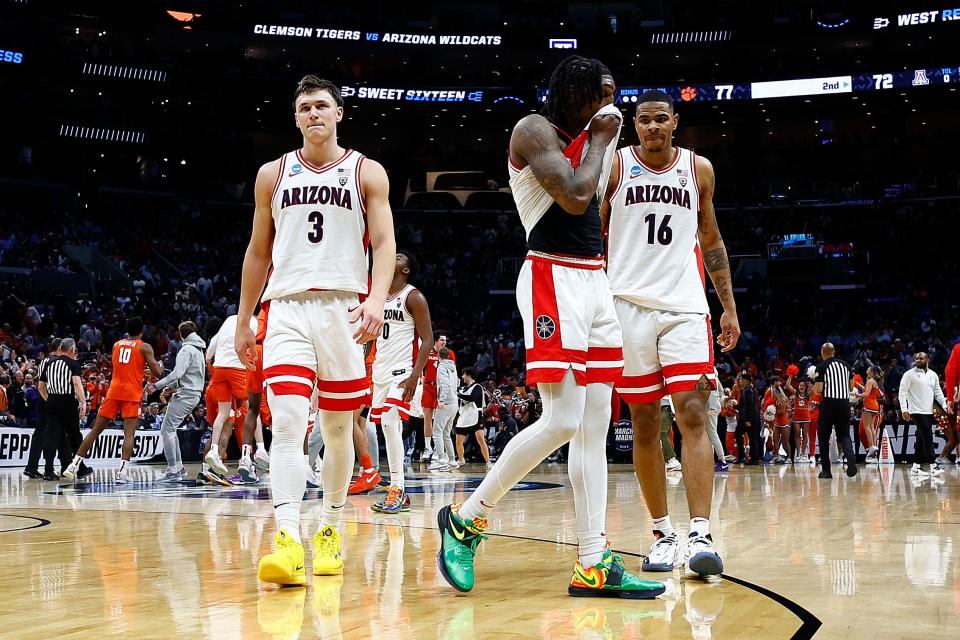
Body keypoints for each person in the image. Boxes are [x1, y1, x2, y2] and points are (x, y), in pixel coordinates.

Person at [437, 56, 662, 599]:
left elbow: (596, 216)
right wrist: (604, 139)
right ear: (576, 92)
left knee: (593, 428)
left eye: (616, 94)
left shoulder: (596, 139)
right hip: (550, 277)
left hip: (594, 282)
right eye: (603, 93)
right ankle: (466, 520)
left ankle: (592, 561)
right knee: (562, 419)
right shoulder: (534, 129)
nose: (614, 104)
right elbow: (574, 195)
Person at [234, 75, 395, 587]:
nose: (312, 114)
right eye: (304, 107)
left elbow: (386, 243)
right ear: (296, 117)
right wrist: (244, 317)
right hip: (286, 309)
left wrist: (375, 300)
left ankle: (329, 526)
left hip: (344, 307)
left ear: (339, 113)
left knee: (337, 429)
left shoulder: (366, 171)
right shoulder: (271, 173)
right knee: (284, 423)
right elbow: (258, 251)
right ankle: (285, 536)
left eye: (321, 105)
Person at [603, 89, 740, 576]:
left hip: (684, 306)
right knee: (644, 423)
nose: (653, 127)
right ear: (633, 125)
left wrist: (727, 306)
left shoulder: (697, 169)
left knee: (693, 415)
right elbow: (593, 241)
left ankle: (701, 532)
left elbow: (712, 238)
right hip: (626, 307)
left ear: (675, 122)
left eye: (662, 119)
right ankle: (662, 532)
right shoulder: (614, 167)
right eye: (644, 120)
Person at [367, 251, 433, 514]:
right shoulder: (378, 295)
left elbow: (427, 339)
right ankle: (397, 488)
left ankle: (398, 488)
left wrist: (415, 375)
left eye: (399, 257)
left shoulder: (413, 297)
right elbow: (372, 334)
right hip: (380, 372)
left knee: (390, 423)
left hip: (403, 372)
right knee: (385, 429)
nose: (393, 256)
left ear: (406, 269)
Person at [63, 318, 163, 483]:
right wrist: (158, 365)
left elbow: (125, 368)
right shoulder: (145, 347)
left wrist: (140, 372)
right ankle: (122, 473)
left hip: (114, 390)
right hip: (131, 393)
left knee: (95, 430)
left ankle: (73, 465)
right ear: (141, 331)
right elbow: (157, 372)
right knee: (129, 434)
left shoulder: (117, 344)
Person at [151, 321, 206, 481]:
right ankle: (178, 467)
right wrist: (171, 387)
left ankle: (173, 469)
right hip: (193, 393)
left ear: (181, 334)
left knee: (166, 430)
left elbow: (177, 373)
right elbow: (186, 374)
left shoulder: (186, 349)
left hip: (186, 394)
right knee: (170, 428)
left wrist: (157, 386)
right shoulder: (198, 350)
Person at [205, 314, 257, 476]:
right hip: (235, 375)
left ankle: (207, 466)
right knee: (237, 423)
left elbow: (208, 354)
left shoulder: (224, 327)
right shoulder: (251, 323)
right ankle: (246, 460)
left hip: (214, 381)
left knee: (219, 423)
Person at [36, 338, 88, 480]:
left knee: (51, 437)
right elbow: (77, 383)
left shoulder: (49, 363)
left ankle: (48, 470)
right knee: (74, 436)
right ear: (71, 350)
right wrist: (83, 402)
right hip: (67, 402)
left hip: (52, 401)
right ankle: (79, 468)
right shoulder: (73, 363)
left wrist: (50, 400)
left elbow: (40, 387)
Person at [238, 305, 272, 484]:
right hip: (272, 351)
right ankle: (297, 461)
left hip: (254, 352)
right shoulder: (282, 304)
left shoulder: (258, 313)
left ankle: (245, 456)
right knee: (284, 406)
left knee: (253, 408)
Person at [812, 342, 857, 479]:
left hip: (829, 404)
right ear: (834, 351)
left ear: (822, 352)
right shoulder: (846, 366)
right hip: (844, 404)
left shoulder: (821, 366)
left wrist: (813, 383)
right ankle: (849, 454)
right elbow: (850, 388)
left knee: (823, 436)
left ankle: (826, 471)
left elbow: (818, 390)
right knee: (844, 435)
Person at [898, 352, 947, 477]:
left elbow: (938, 393)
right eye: (916, 358)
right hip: (915, 411)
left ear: (927, 360)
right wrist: (904, 409)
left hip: (928, 411)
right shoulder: (909, 375)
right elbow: (902, 392)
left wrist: (945, 406)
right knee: (927, 436)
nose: (918, 360)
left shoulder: (933, 375)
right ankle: (932, 465)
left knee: (921, 439)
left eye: (921, 358)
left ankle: (915, 467)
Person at [421, 334, 454, 462]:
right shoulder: (427, 351)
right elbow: (419, 366)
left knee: (439, 419)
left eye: (446, 340)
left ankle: (437, 448)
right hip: (428, 387)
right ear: (436, 341)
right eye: (442, 340)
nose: (444, 342)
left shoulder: (449, 353)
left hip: (441, 388)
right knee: (427, 418)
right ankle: (427, 448)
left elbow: (452, 372)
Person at [429, 346, 458, 471]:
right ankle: (452, 460)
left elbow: (445, 385)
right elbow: (456, 383)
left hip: (446, 402)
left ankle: (441, 460)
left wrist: (441, 400)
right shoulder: (453, 367)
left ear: (438, 356)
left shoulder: (441, 367)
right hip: (454, 403)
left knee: (436, 432)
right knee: (446, 433)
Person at [452, 367, 489, 466]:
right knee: (458, 440)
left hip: (476, 415)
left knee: (480, 439)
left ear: (469, 375)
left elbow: (472, 397)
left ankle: (488, 461)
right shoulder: (461, 388)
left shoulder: (477, 387)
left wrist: (457, 394)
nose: (462, 376)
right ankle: (461, 460)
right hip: (463, 416)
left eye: (464, 374)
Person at [859, 366, 884, 463]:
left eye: (868, 370)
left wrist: (856, 395)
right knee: (872, 427)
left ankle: (871, 447)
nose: (866, 371)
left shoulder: (870, 381)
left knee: (867, 427)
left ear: (872, 372)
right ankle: (873, 446)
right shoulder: (876, 382)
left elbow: (866, 394)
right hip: (875, 406)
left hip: (868, 405)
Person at [940, 341, 960, 464]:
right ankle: (943, 457)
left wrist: (952, 400)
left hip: (948, 413)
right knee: (955, 439)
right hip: (943, 415)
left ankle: (944, 457)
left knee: (955, 439)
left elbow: (950, 372)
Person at [786, 376, 813, 463]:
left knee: (805, 434)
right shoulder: (795, 393)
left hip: (806, 417)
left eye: (803, 386)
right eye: (800, 385)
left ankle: (803, 453)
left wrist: (816, 378)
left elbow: (816, 388)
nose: (801, 387)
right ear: (798, 386)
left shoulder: (808, 394)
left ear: (806, 387)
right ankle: (798, 452)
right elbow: (788, 385)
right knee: (797, 434)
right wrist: (791, 375)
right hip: (797, 417)